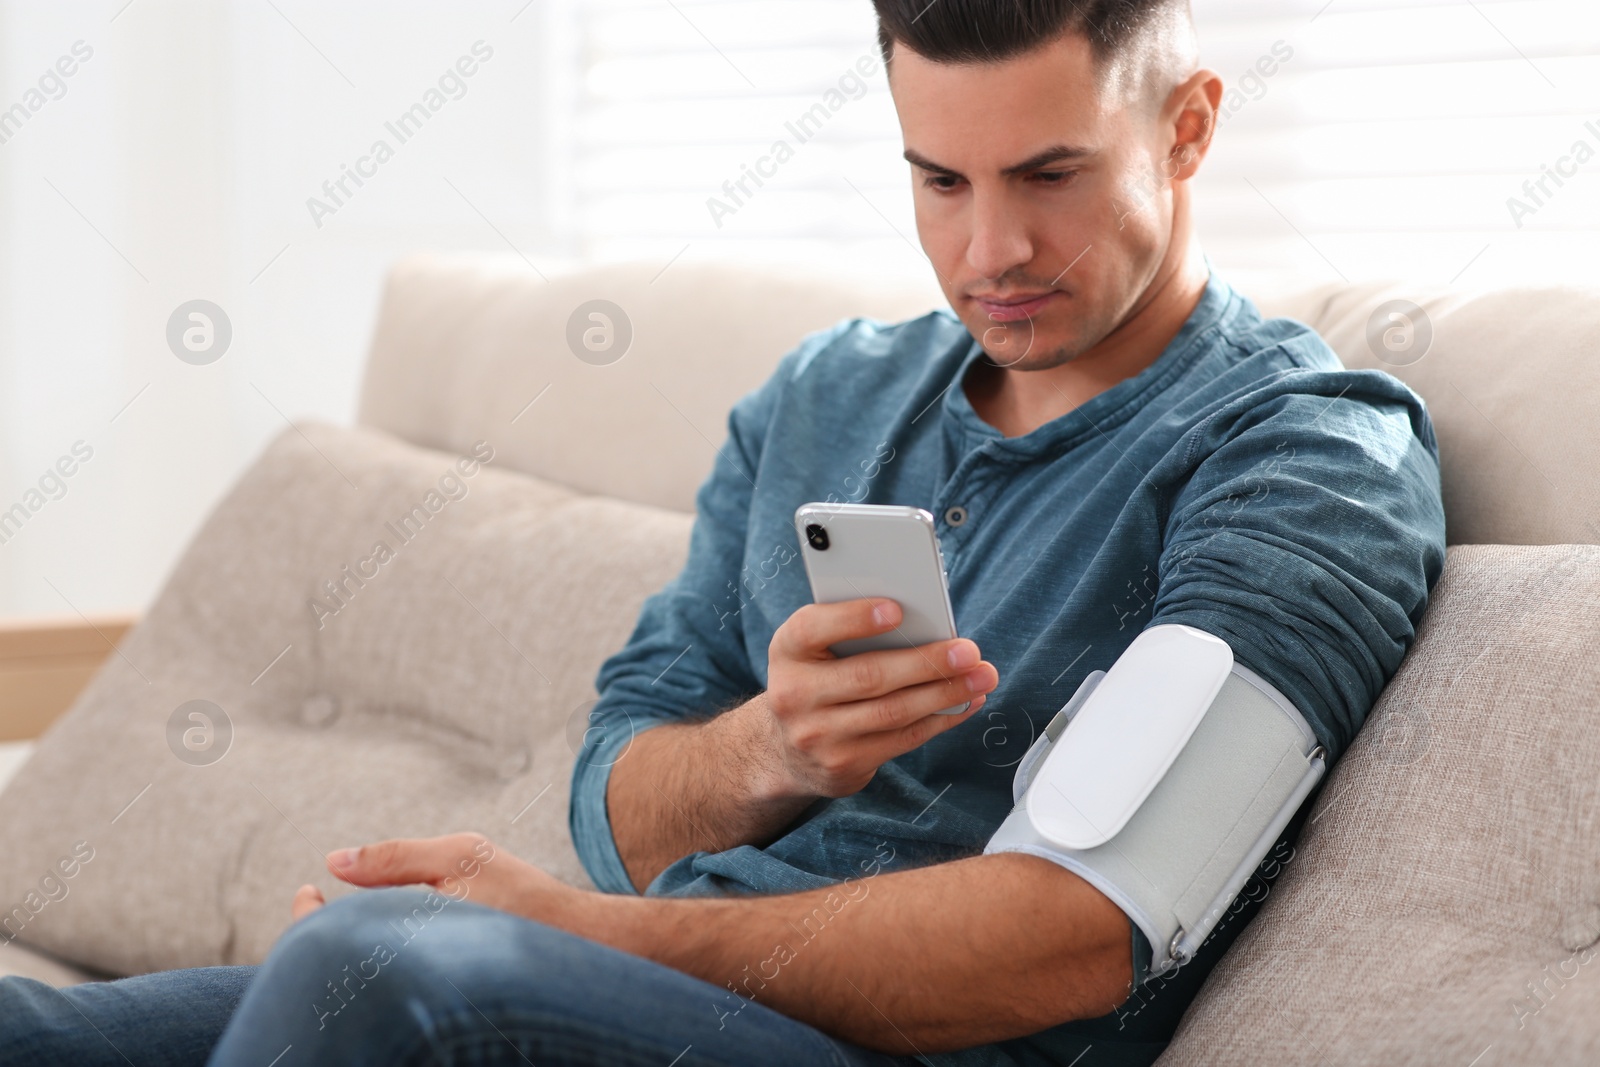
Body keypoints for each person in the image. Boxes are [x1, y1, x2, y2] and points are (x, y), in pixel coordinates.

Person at [0, 1, 1446, 1064]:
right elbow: (616, 806)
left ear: (1187, 127)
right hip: (661, 996)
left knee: (393, 980)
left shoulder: (1306, 458)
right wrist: (771, 750)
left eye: (1049, 175)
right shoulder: (824, 397)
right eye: (939, 181)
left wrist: (558, 935)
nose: (988, 250)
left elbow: (1082, 930)